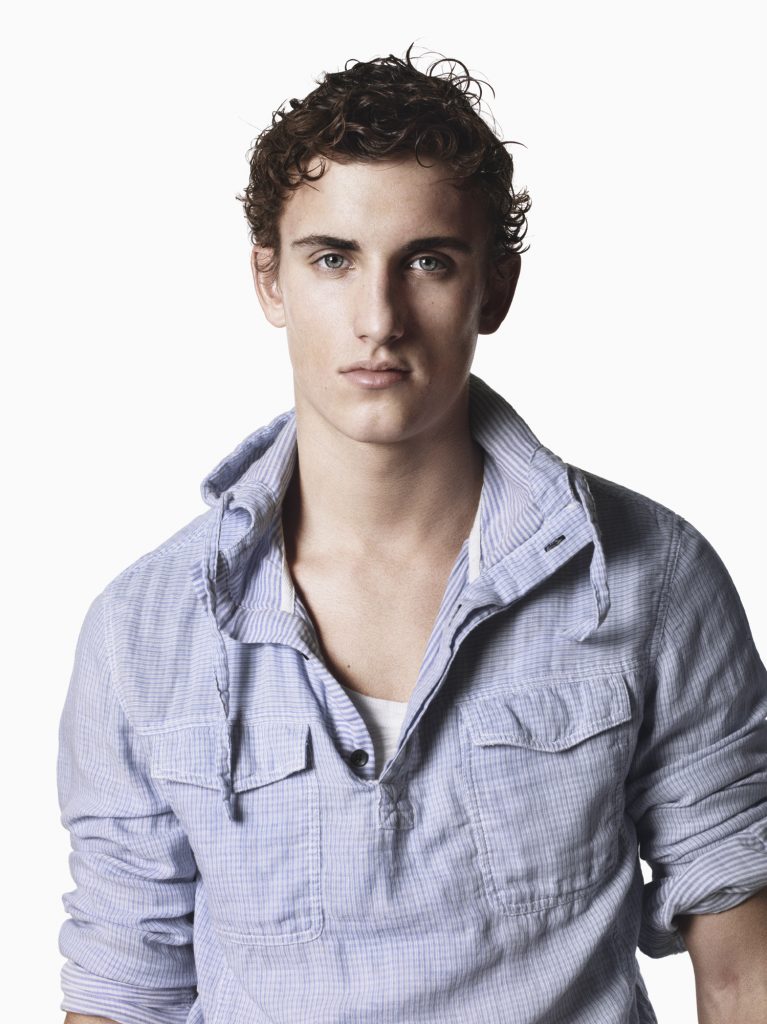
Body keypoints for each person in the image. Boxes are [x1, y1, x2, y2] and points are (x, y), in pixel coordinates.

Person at [57, 48, 767, 1024]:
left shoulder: (649, 577)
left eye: (427, 261)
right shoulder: (144, 628)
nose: (377, 319)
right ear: (270, 280)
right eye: (332, 259)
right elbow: (123, 987)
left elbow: (741, 969)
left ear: (494, 287)